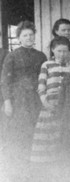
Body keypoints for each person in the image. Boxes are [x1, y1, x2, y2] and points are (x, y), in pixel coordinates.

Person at [1, 21, 47, 160]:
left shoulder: (41, 56)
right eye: (25, 35)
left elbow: (45, 77)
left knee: (37, 130)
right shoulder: (12, 56)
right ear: (19, 38)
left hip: (36, 98)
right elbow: (5, 81)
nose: (29, 38)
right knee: (20, 131)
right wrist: (7, 102)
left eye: (31, 34)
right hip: (18, 100)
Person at [31, 36, 70, 163]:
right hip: (49, 104)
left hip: (65, 105)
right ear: (53, 50)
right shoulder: (46, 65)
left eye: (65, 51)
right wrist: (44, 102)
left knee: (62, 132)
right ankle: (45, 162)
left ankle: (60, 162)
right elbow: (41, 85)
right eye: (59, 51)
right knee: (47, 133)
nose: (62, 54)